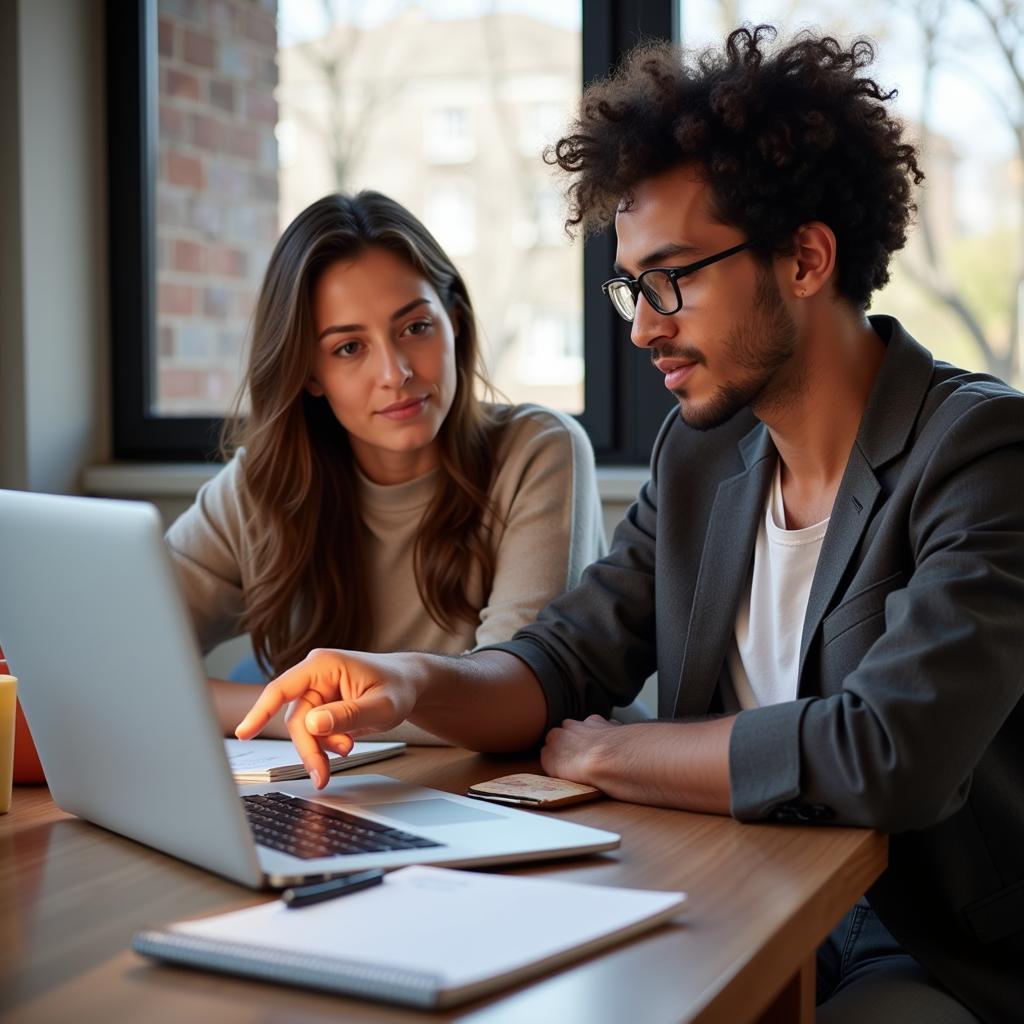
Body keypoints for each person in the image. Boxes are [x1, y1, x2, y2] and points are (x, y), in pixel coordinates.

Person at [235, 28, 1024, 1023]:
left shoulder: (983, 451)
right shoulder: (699, 456)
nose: (644, 326)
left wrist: (614, 753)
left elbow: (889, 754)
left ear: (805, 257)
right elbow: (563, 660)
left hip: (931, 944)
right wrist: (405, 682)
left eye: (671, 279)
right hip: (730, 892)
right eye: (630, 288)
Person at [167, 190, 606, 743]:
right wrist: (292, 714)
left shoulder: (539, 450)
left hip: (524, 794)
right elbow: (126, 657)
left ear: (455, 322)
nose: (395, 373)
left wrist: (297, 714)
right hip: (349, 792)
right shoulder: (262, 486)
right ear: (309, 374)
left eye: (415, 328)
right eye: (349, 348)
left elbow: (518, 702)